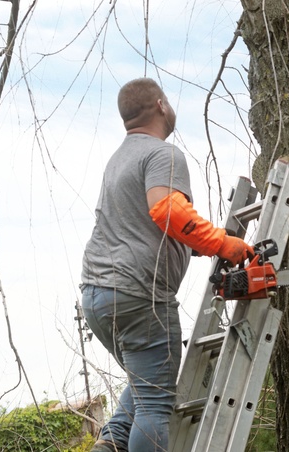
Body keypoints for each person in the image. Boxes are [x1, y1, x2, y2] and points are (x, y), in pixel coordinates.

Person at [80, 78, 254, 451]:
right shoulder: (162, 154)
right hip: (138, 294)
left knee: (145, 385)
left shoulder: (119, 159)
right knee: (156, 404)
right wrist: (226, 244)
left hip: (96, 295)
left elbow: (144, 226)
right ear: (161, 105)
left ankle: (108, 445)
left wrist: (201, 247)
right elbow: (168, 211)